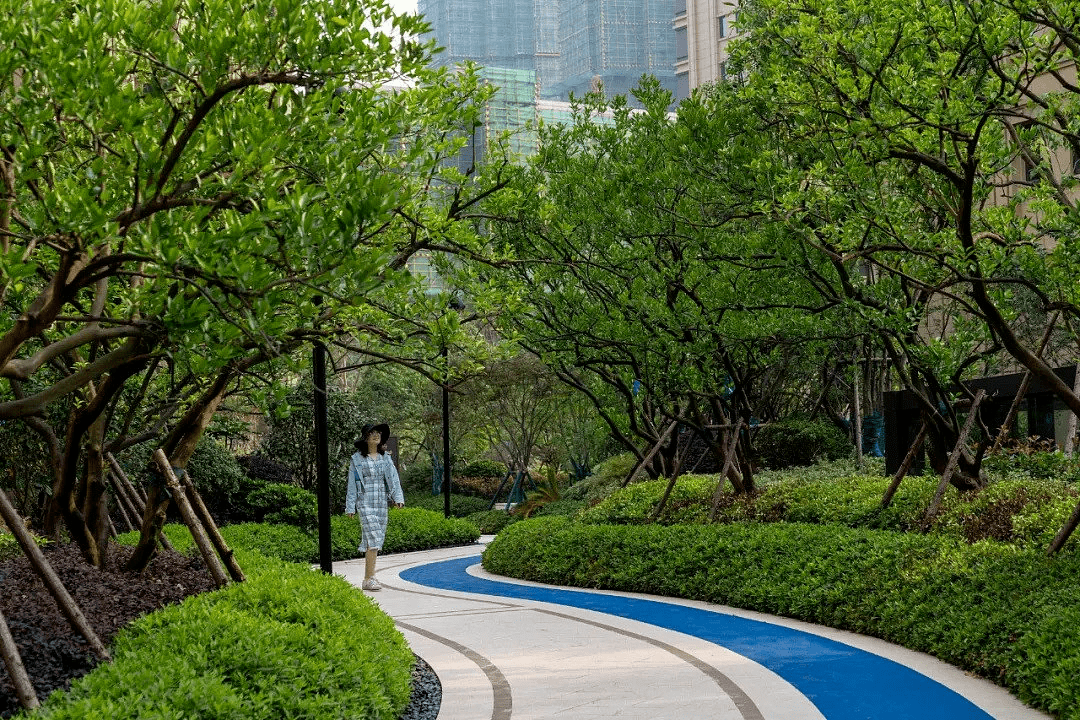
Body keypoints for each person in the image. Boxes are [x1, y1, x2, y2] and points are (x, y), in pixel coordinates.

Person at [345, 422, 404, 591]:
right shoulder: (357, 459)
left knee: (376, 540)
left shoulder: (386, 458)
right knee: (373, 537)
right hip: (364, 502)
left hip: (381, 504)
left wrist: (398, 497)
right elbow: (352, 484)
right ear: (365, 437)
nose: (376, 435)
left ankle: (368, 578)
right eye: (372, 432)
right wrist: (350, 506)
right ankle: (369, 578)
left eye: (378, 432)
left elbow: (393, 479)